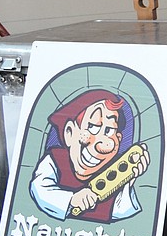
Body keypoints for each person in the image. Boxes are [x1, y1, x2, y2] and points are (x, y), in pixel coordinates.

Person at [29, 89, 150, 222]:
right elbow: (39, 190)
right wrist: (72, 199)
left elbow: (122, 212)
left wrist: (128, 181)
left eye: (109, 130)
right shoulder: (54, 160)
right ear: (69, 132)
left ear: (119, 139)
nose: (100, 144)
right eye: (92, 127)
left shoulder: (113, 171)